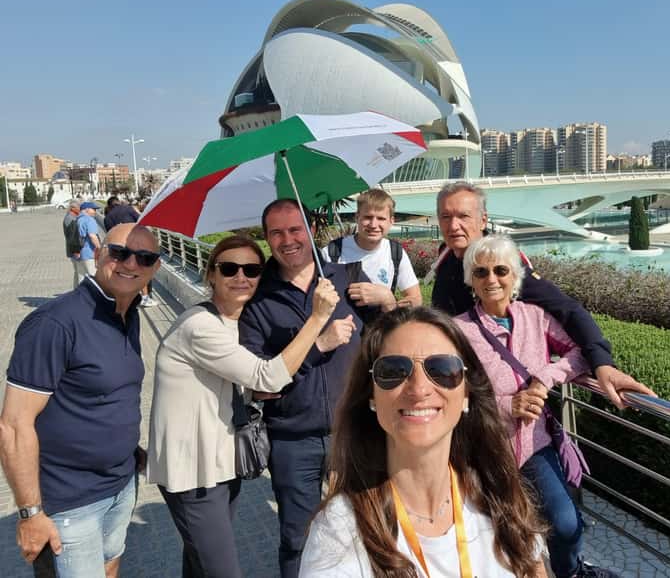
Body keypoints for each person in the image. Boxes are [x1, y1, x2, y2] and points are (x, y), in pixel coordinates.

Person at [299, 306, 547, 577]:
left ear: (466, 393)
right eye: (394, 371)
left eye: (442, 369)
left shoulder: (498, 495)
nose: (419, 389)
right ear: (372, 396)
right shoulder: (340, 532)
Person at [148, 235, 340, 578]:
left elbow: (250, 384)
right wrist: (317, 320)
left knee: (200, 565)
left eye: (251, 270)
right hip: (194, 472)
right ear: (211, 274)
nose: (241, 277)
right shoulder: (200, 326)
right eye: (229, 269)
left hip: (221, 463)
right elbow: (267, 377)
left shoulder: (233, 324)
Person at [0, 224, 161, 578]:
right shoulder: (55, 323)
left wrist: (129, 449)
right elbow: (13, 425)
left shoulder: (128, 312)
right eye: (120, 252)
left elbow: (107, 393)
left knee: (110, 565)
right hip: (70, 500)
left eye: (145, 257)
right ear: (99, 252)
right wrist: (30, 513)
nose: (131, 263)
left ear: (156, 267)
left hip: (121, 483)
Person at [454, 235, 616, 578]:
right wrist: (506, 405)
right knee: (501, 536)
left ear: (515, 276)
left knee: (566, 524)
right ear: (471, 280)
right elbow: (452, 393)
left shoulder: (535, 317)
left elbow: (578, 353)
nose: (491, 279)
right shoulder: (458, 330)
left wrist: (544, 378)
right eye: (481, 272)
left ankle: (571, 572)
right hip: (484, 452)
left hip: (534, 445)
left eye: (500, 270)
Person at [238, 198, 378, 578]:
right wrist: (318, 343)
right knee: (298, 539)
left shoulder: (346, 278)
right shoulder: (256, 299)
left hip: (351, 431)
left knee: (365, 529)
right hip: (292, 439)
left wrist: (388, 299)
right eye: (277, 233)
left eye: (295, 229)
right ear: (266, 238)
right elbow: (260, 385)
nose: (288, 240)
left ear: (311, 230)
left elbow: (385, 337)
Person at [431, 181, 655, 410]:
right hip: (453, 387)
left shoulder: (503, 268)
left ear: (483, 220)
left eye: (463, 216)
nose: (454, 225)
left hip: (501, 405)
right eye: (445, 217)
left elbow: (568, 310)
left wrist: (602, 363)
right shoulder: (446, 257)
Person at [321, 188, 422, 309]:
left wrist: (387, 299)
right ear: (357, 217)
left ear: (391, 221)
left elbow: (416, 299)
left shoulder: (395, 252)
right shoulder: (332, 252)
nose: (373, 225)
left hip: (382, 320)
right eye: (368, 217)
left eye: (381, 218)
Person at [62, 200, 86, 288]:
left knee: (78, 272)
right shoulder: (70, 219)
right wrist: (76, 251)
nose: (81, 209)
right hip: (75, 250)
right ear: (73, 208)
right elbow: (72, 237)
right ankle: (79, 291)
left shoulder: (72, 217)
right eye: (79, 207)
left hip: (73, 250)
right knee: (80, 273)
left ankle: (76, 290)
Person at [76, 201, 102, 278]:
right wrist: (100, 249)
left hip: (79, 253)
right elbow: (92, 236)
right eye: (93, 209)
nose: (95, 211)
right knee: (94, 278)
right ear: (87, 209)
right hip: (90, 254)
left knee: (81, 278)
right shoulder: (89, 219)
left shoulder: (77, 219)